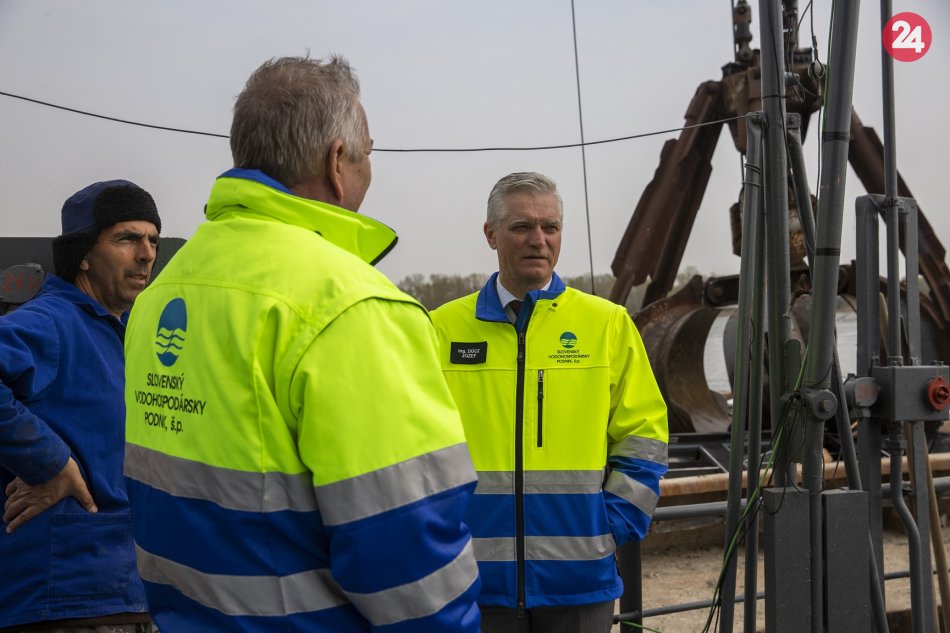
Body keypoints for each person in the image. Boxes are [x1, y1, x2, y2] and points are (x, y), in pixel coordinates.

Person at [122, 55, 481, 632]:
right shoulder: (351, 306)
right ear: (338, 162)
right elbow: (406, 556)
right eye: (369, 152)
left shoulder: (164, 291)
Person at [430, 172, 669, 633]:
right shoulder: (441, 329)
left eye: (550, 227)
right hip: (472, 581)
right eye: (522, 226)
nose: (538, 240)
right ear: (491, 234)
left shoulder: (607, 324)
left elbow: (646, 438)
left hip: (580, 580)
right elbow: (414, 448)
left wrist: (612, 526)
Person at [0, 180, 161, 632]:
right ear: (83, 254)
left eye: (152, 240)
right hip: (65, 601)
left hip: (124, 596)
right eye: (127, 238)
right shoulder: (51, 320)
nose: (146, 254)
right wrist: (49, 462)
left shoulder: (122, 334)